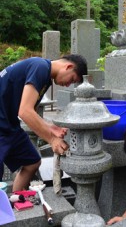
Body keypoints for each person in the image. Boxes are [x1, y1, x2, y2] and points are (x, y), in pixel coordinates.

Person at [0, 54, 87, 191]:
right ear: (68, 67)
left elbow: (29, 112)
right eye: (72, 79)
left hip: (8, 124)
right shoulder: (40, 67)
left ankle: (17, 203)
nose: (68, 84)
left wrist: (51, 127)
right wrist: (52, 140)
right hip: (2, 124)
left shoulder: (46, 78)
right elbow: (25, 111)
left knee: (32, 162)